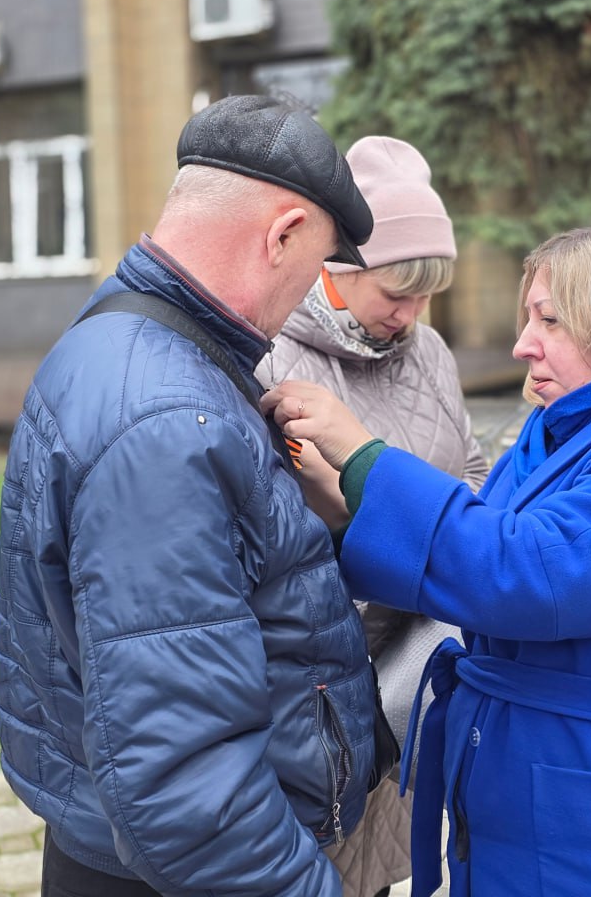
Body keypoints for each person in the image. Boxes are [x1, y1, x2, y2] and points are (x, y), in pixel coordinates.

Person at [263, 221, 591, 897]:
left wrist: (364, 457)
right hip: (542, 807)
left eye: (550, 320)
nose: (522, 344)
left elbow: (526, 573)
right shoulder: (564, 425)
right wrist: (343, 509)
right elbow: (475, 542)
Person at [0, 95, 386, 897]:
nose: (304, 298)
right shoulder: (166, 415)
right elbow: (185, 781)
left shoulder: (122, 337)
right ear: (281, 235)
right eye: (314, 268)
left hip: (119, 846)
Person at [255, 135, 487, 897]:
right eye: (397, 291)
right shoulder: (271, 355)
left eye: (427, 295)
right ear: (339, 265)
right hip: (314, 697)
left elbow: (471, 468)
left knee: (374, 875)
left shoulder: (431, 354)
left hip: (410, 677)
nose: (412, 315)